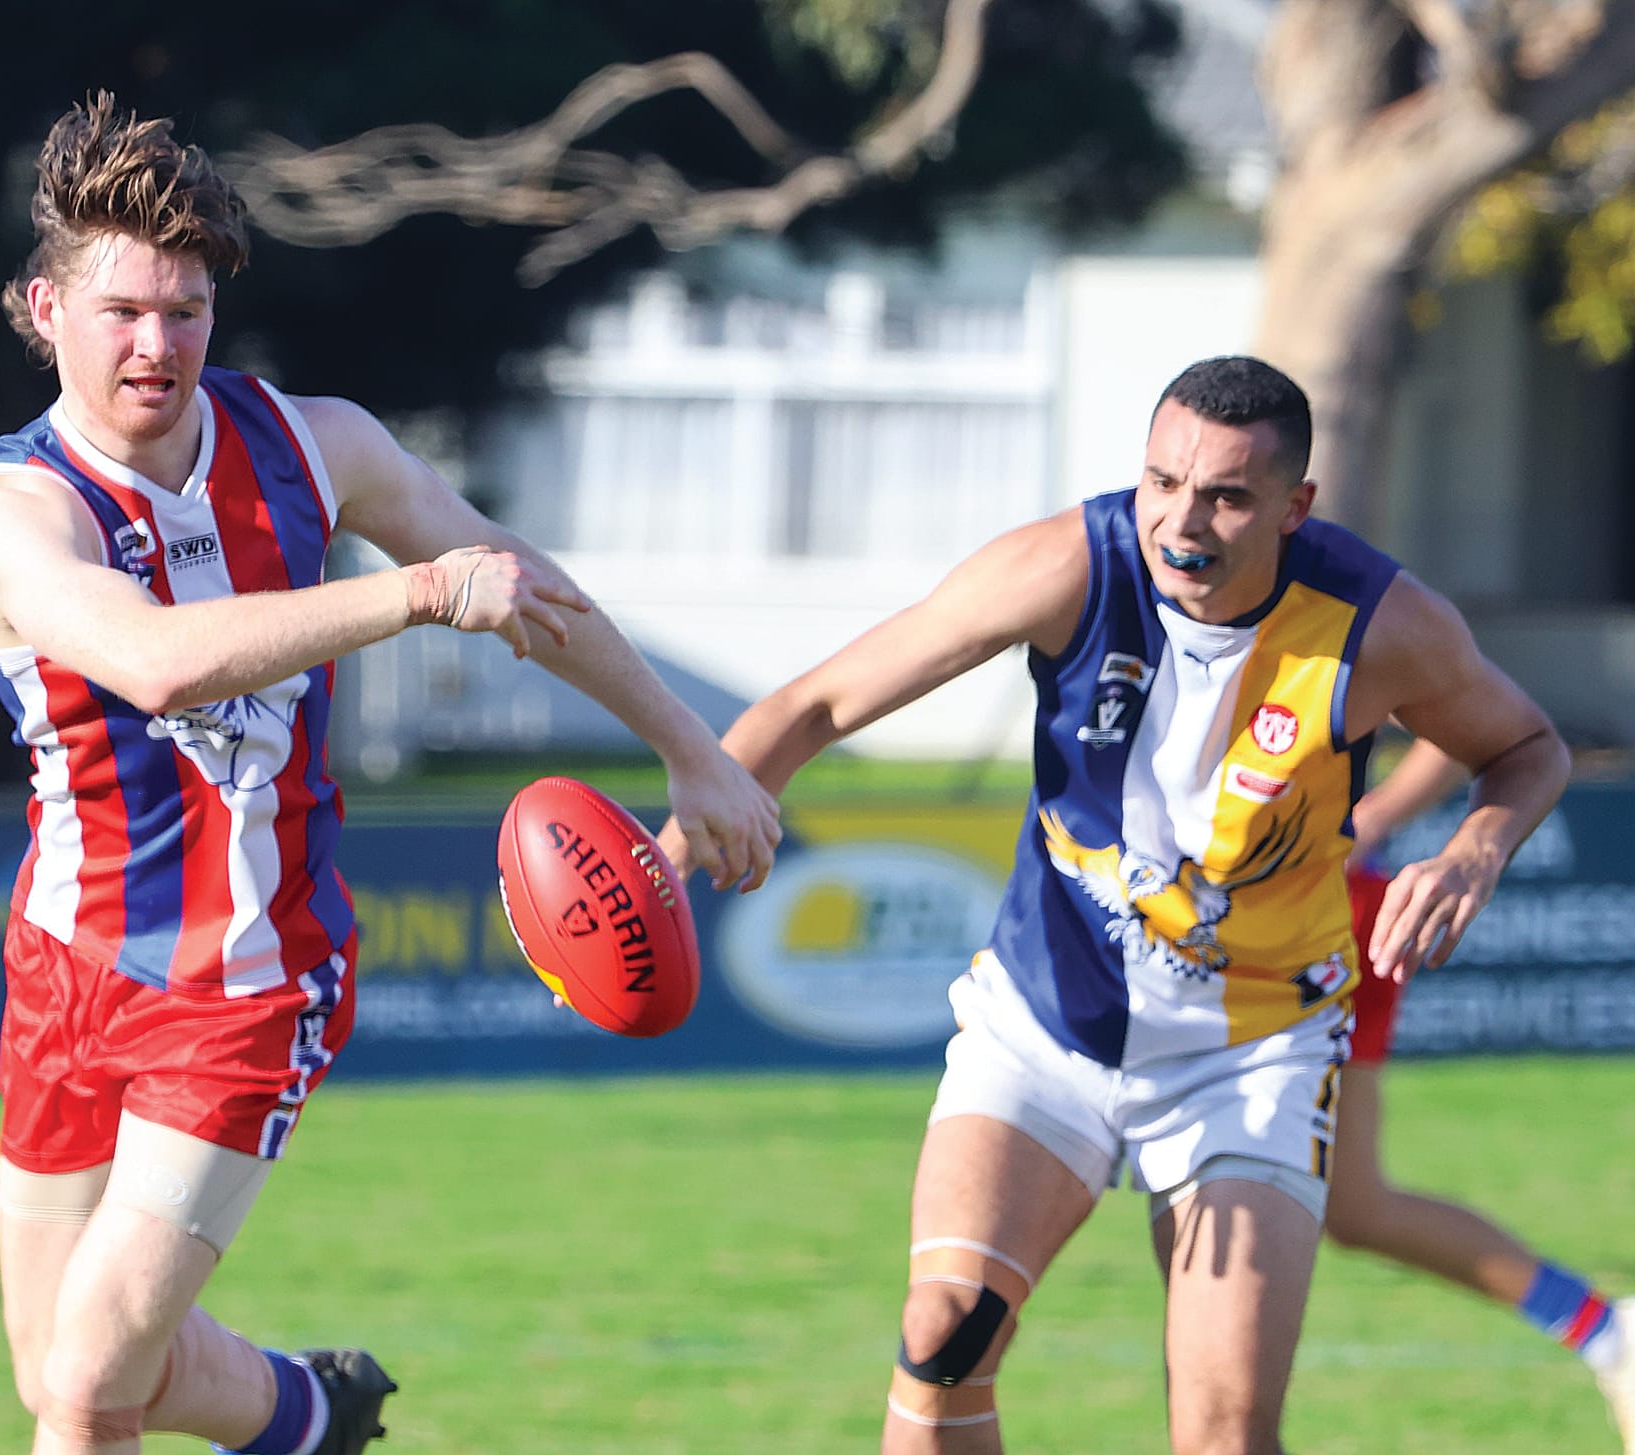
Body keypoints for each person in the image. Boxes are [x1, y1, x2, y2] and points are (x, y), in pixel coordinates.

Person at [0, 93, 780, 1455]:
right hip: (65, 960)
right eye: (122, 313)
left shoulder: (311, 443)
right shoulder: (14, 510)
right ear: (44, 308)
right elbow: (153, 663)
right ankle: (307, 1410)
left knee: (92, 1382)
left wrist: (691, 749)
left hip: (251, 972)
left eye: (187, 309)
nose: (158, 345)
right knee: (63, 1366)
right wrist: (411, 598)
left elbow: (520, 587)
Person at [660, 354, 1571, 1454]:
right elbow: (813, 702)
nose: (1181, 522)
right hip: (1045, 1020)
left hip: (1253, 1049)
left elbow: (1524, 746)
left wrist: (1475, 849)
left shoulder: (1377, 622)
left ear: (1294, 508)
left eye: (1227, 497)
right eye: (1160, 483)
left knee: (1224, 1435)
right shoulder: (1065, 565)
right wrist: (673, 850)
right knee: (942, 1331)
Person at [1331, 734, 1634, 1452]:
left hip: (1316, 919)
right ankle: (1605, 1329)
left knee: (1351, 1203)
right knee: (1354, 1208)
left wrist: (1370, 819)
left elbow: (1478, 722)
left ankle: (1602, 1329)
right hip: (1170, 917)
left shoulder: (1363, 621)